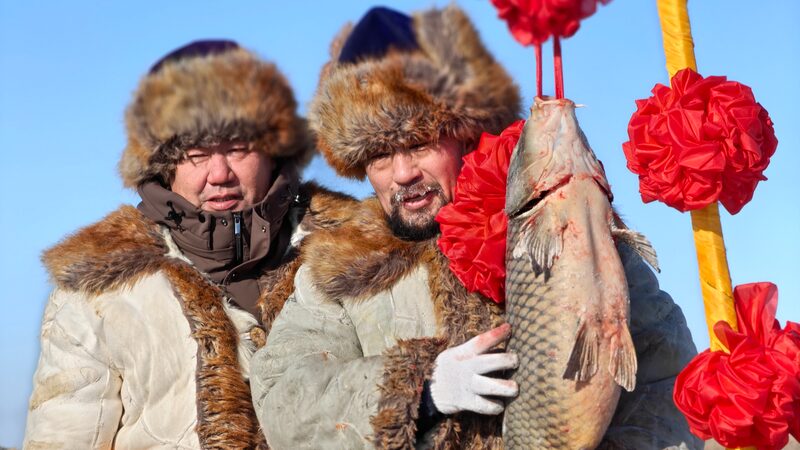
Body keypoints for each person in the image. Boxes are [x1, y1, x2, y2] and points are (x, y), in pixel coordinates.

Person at [251, 6, 702, 449]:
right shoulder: (336, 270)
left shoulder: (557, 222)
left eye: (420, 142)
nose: (403, 173)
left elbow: (669, 378)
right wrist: (420, 390)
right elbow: (283, 403)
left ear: (464, 133)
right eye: (379, 156)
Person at [24, 40, 354, 448]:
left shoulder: (355, 246)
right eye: (196, 153)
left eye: (238, 148)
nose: (219, 174)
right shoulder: (96, 285)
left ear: (274, 151)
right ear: (163, 164)